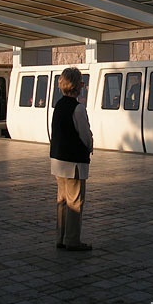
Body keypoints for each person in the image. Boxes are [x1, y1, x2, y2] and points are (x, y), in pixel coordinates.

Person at [50, 67, 94, 251]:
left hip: (58, 161)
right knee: (75, 201)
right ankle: (73, 240)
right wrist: (90, 146)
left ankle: (61, 236)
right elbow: (84, 135)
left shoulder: (58, 106)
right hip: (73, 162)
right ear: (77, 86)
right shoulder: (78, 108)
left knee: (62, 200)